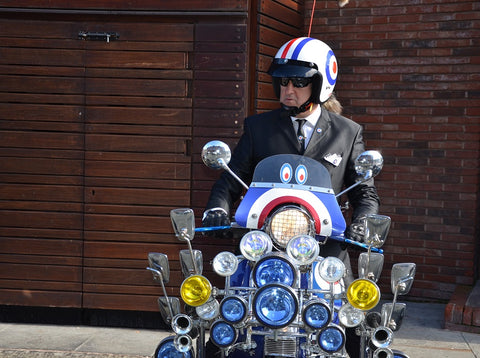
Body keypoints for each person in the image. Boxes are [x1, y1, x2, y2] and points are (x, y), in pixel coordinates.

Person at [202, 37, 380, 358]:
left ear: (321, 83)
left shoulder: (347, 132)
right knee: (224, 325)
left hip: (326, 251)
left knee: (356, 328)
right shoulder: (258, 128)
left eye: (299, 82)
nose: (288, 90)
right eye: (282, 81)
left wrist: (363, 223)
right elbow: (229, 181)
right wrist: (217, 207)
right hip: (263, 250)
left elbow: (365, 194)